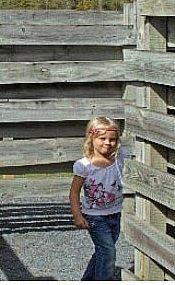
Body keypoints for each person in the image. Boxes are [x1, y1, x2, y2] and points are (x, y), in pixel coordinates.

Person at [69, 116, 130, 280]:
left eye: (112, 139)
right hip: (95, 217)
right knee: (108, 251)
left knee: (102, 251)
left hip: (115, 213)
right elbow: (74, 192)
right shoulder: (84, 165)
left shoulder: (119, 158)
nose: (107, 143)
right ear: (92, 138)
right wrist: (77, 215)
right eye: (102, 138)